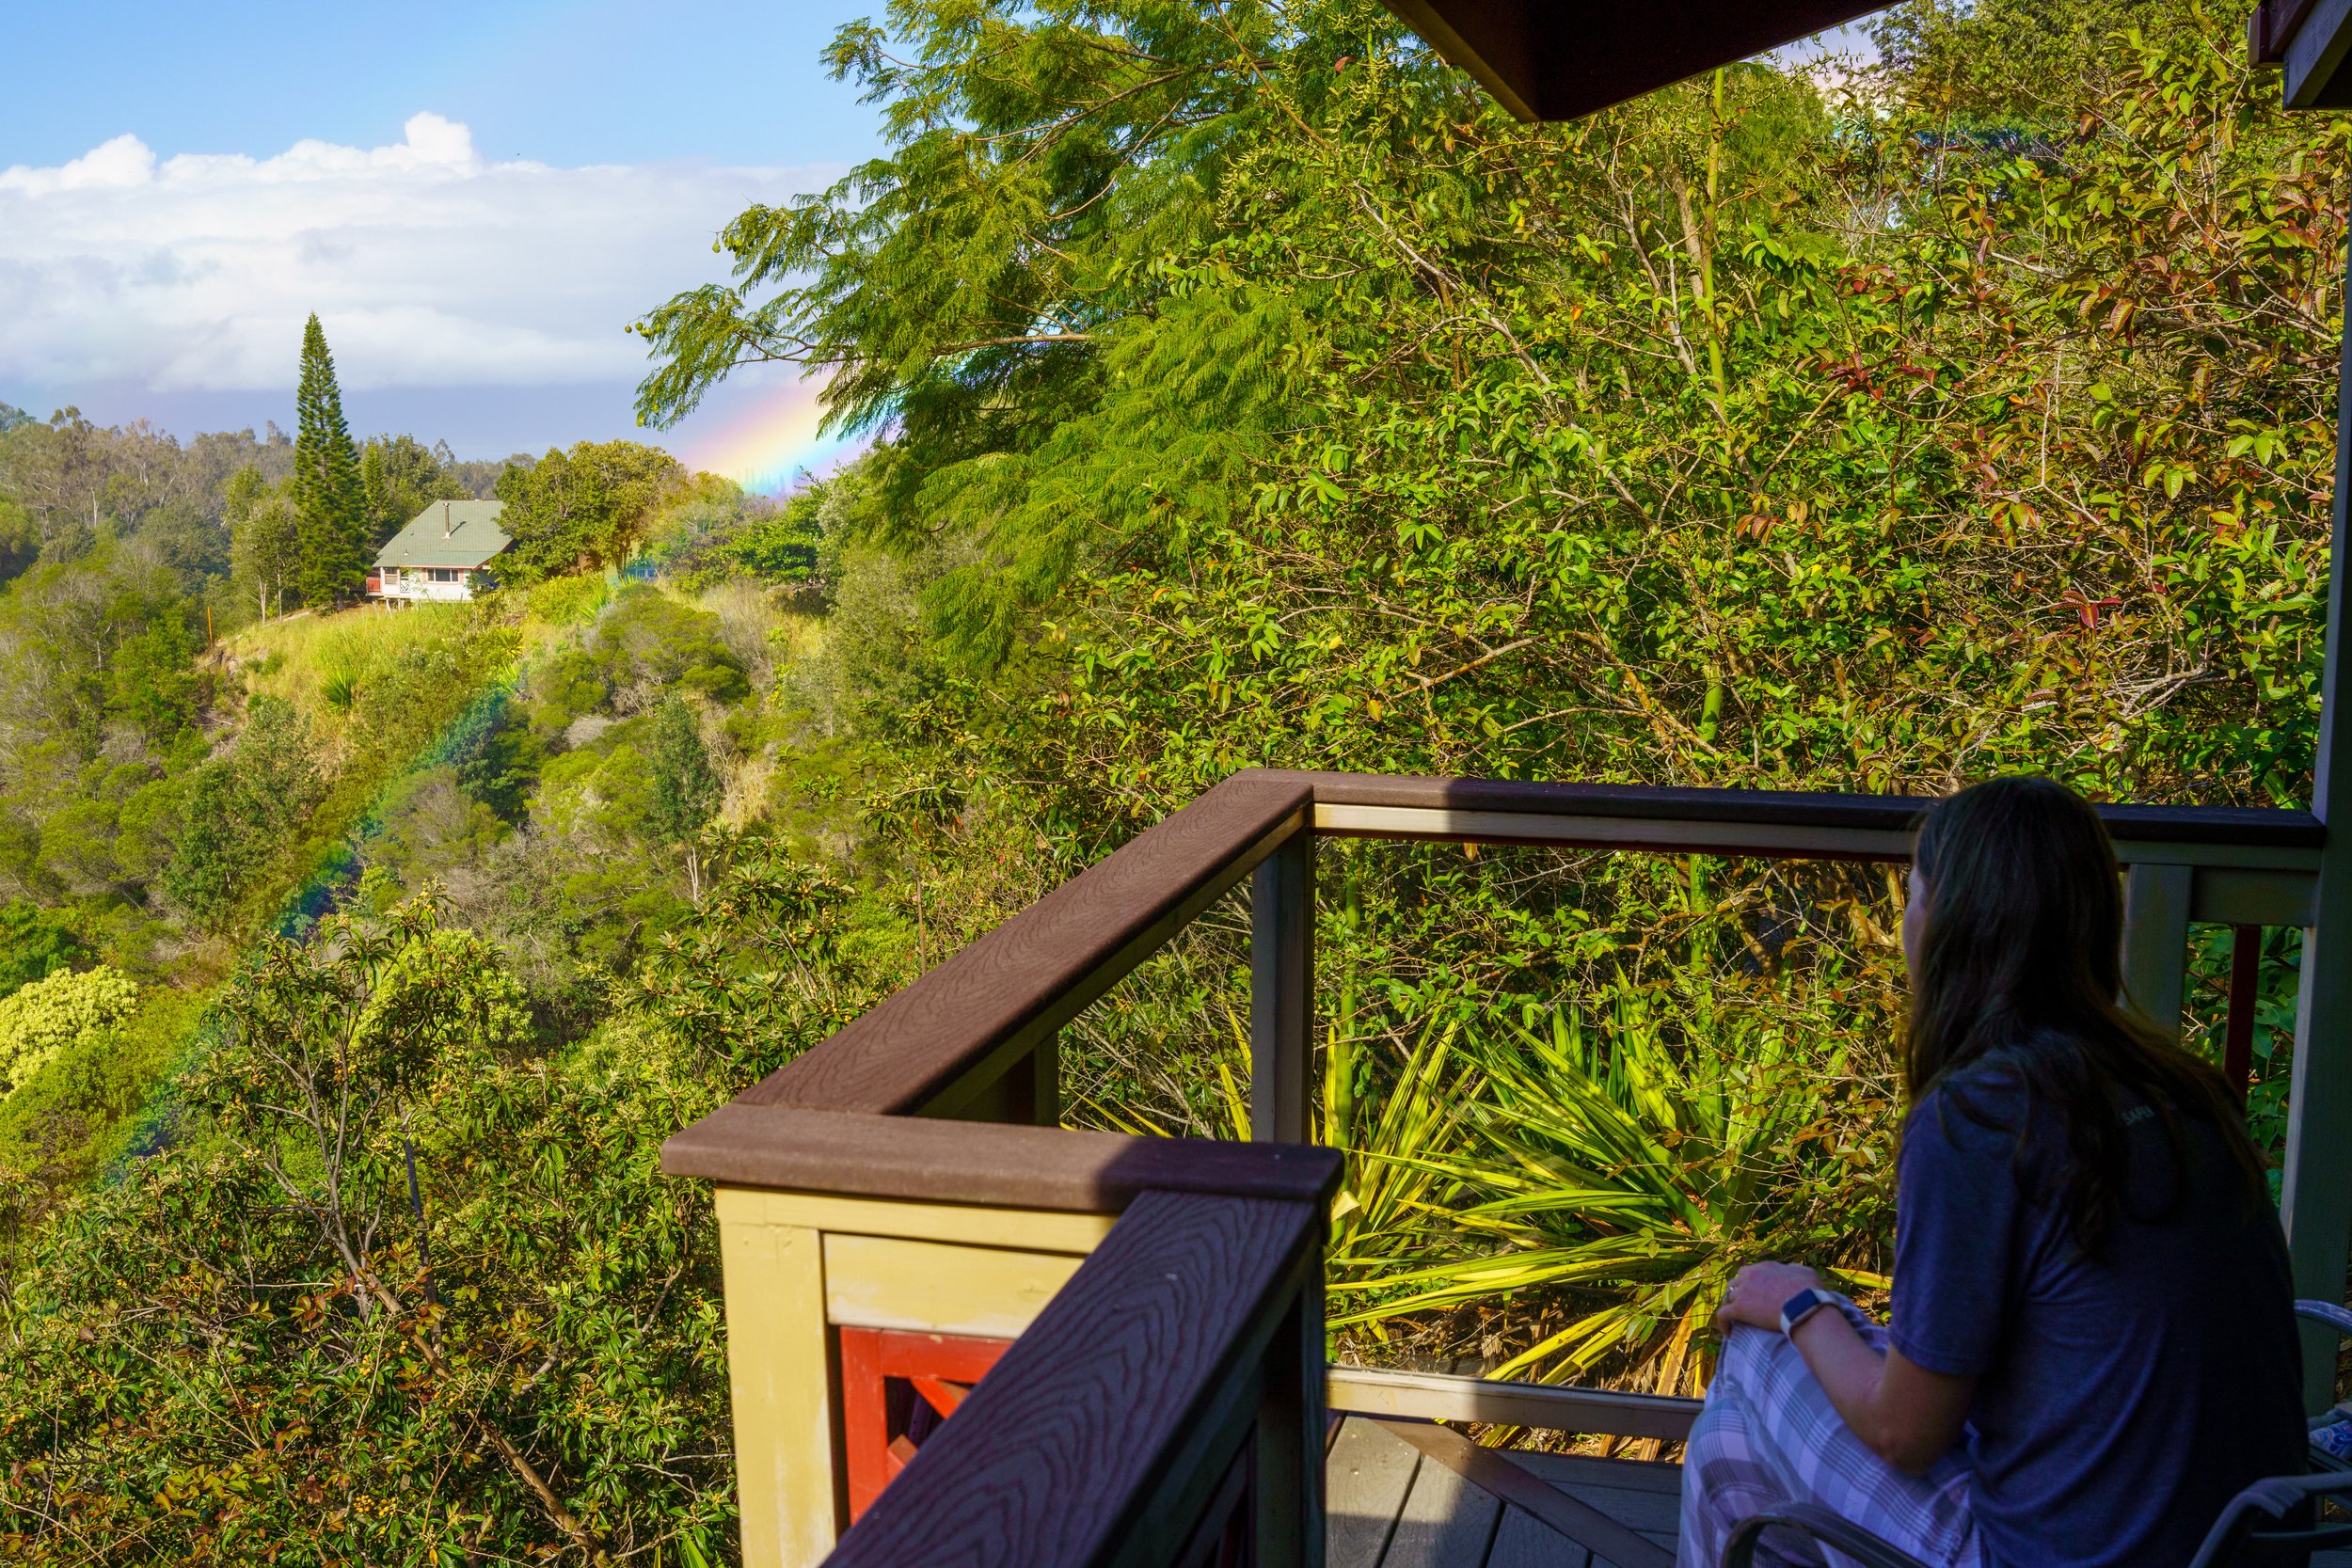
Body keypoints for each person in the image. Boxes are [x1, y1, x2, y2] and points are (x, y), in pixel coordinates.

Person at [1677, 775, 2305, 1568]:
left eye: (1913, 893)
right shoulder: (2182, 1088)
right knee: (1732, 1447)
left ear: (1946, 924)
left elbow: (1905, 1433)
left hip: (2062, 1557)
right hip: (2249, 1547)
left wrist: (1799, 1301)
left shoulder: (1980, 1116)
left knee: (1750, 1365)